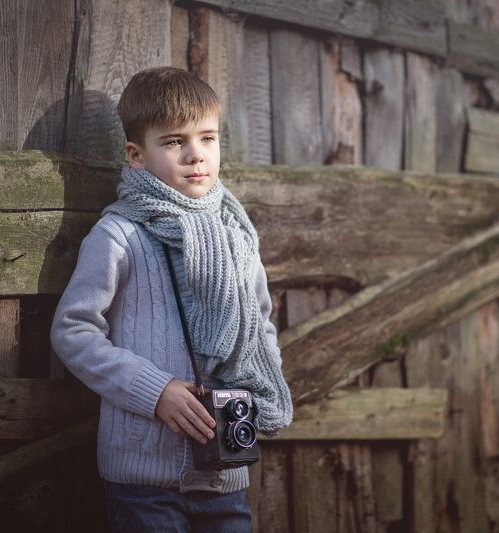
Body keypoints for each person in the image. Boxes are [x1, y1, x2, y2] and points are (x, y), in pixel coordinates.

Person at [50, 67, 293, 532]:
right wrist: (155, 391)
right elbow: (73, 331)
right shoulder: (119, 234)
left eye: (207, 138)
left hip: (225, 473)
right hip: (144, 477)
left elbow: (261, 327)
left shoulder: (237, 238)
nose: (195, 154)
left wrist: (248, 394)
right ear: (136, 155)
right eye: (174, 141)